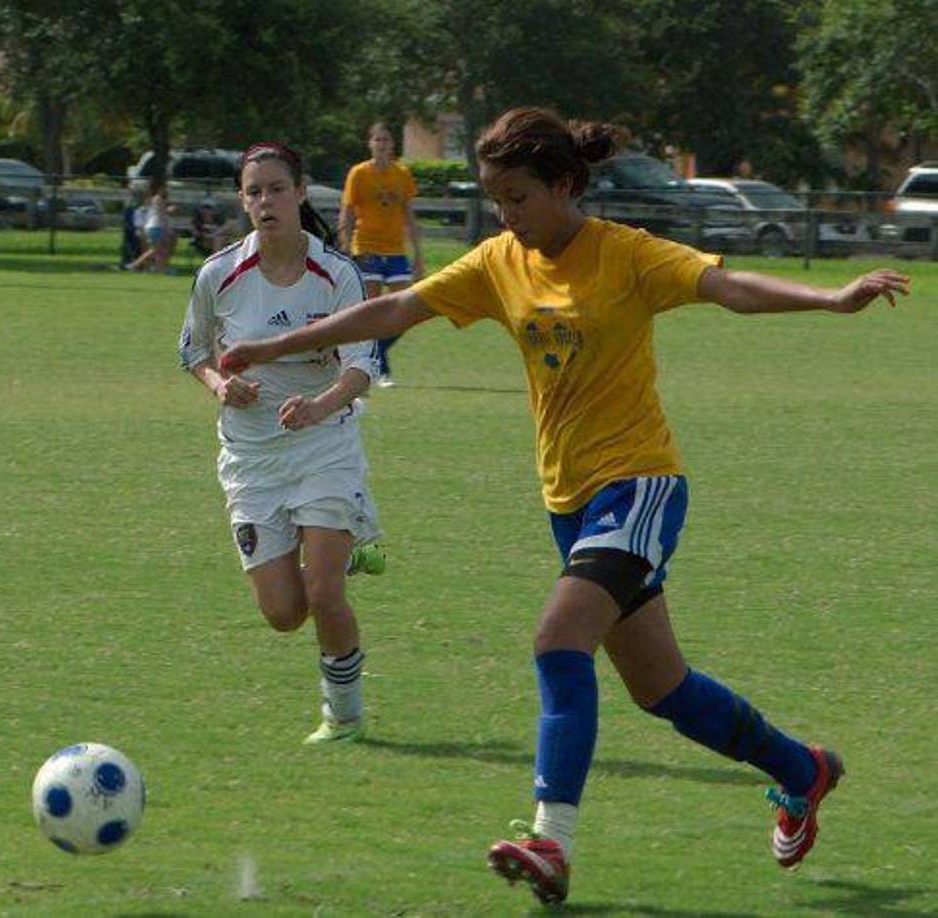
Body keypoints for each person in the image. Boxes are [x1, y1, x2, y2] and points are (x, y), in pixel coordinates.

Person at [219, 107, 910, 903]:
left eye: (517, 199)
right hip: (569, 501)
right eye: (495, 202)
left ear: (564, 186)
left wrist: (828, 298)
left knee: (556, 640)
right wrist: (275, 346)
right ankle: (803, 768)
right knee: (664, 691)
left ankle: (551, 842)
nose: (506, 217)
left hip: (640, 484)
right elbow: (394, 310)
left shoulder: (627, 254)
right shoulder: (497, 261)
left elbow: (727, 288)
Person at [179, 141, 387, 746]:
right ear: (242, 202)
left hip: (324, 444)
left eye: (276, 189)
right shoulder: (218, 274)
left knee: (323, 592)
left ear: (300, 193)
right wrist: (221, 386)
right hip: (252, 457)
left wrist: (320, 404)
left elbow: (361, 365)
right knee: (283, 614)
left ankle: (342, 714)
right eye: (253, 192)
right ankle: (343, 545)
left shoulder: (336, 275)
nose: (264, 201)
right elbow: (192, 351)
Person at [339, 122, 425, 388]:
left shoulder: (402, 174)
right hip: (366, 248)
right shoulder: (359, 174)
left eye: (386, 140)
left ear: (393, 144)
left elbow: (409, 215)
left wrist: (418, 254)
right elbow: (348, 212)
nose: (381, 144)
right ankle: (379, 369)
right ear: (370, 143)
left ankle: (378, 352)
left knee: (408, 310)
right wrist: (345, 246)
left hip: (396, 249)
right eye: (377, 140)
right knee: (371, 310)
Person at [129, 180, 173, 273]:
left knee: (160, 249)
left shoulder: (155, 199)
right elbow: (161, 215)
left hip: (153, 226)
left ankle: (158, 268)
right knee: (155, 249)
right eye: (165, 188)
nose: (166, 190)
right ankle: (135, 265)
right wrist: (166, 228)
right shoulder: (158, 199)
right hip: (156, 226)